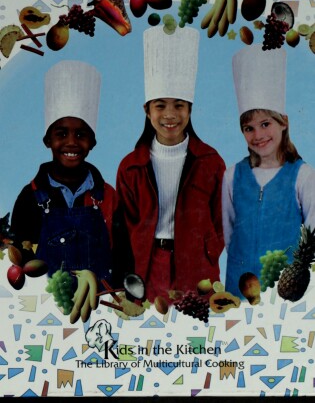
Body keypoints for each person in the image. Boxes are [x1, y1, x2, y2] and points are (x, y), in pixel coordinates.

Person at [116, 26, 226, 303]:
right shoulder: (131, 167)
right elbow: (123, 224)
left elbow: (223, 217)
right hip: (146, 266)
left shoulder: (210, 162)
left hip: (196, 267)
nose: (170, 115)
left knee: (195, 334)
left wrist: (207, 251)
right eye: (160, 105)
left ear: (190, 109)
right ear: (147, 110)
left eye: (179, 105)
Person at [10, 60, 133, 285]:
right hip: (48, 304)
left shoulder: (108, 196)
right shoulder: (30, 197)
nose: (71, 143)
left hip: (99, 303)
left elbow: (124, 258)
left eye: (80, 134)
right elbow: (19, 258)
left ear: (92, 142)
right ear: (48, 140)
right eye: (61, 133)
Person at [223, 44, 315, 298]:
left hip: (284, 295)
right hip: (238, 291)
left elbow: (312, 235)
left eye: (265, 124)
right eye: (248, 128)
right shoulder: (232, 176)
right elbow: (229, 235)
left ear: (283, 122)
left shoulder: (303, 176)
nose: (258, 135)